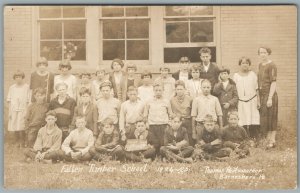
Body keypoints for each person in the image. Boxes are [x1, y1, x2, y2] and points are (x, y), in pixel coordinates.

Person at [143, 82, 174, 157]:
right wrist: (146, 123)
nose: (158, 92)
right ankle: (153, 157)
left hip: (163, 125)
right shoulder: (149, 101)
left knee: (163, 143)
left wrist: (169, 123)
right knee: (154, 143)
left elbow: (170, 114)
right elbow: (145, 115)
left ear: (163, 91)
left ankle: (163, 157)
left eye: (160, 90)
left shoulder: (166, 101)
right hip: (152, 126)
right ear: (153, 91)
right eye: (156, 90)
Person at [233, 57, 260, 139]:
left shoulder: (252, 74)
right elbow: (234, 90)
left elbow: (257, 88)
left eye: (247, 63)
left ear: (249, 65)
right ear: (239, 65)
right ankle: (244, 139)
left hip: (252, 100)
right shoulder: (236, 76)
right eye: (243, 63)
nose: (245, 65)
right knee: (242, 120)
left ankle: (254, 139)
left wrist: (258, 101)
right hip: (241, 101)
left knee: (253, 120)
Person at [257, 46, 278, 148]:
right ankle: (267, 139)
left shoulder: (272, 65)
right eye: (261, 53)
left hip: (270, 95)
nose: (263, 54)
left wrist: (270, 98)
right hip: (262, 95)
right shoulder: (260, 65)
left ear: (268, 53)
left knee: (271, 117)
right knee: (264, 118)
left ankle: (272, 140)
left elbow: (273, 82)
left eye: (264, 52)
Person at [7, 70, 30, 148]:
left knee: (21, 125)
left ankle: (22, 141)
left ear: (22, 77)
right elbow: (9, 100)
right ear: (14, 78)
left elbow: (28, 100)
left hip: (23, 109)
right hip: (14, 109)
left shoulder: (26, 87)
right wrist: (10, 111)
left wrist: (26, 111)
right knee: (14, 125)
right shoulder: (12, 88)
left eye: (19, 77)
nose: (18, 78)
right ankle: (16, 142)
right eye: (16, 77)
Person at [170, 80, 194, 145]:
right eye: (178, 89)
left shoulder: (190, 99)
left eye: (181, 89)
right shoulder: (172, 100)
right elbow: (171, 112)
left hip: (187, 121)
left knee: (189, 140)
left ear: (184, 89)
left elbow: (193, 113)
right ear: (175, 90)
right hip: (177, 122)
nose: (179, 91)